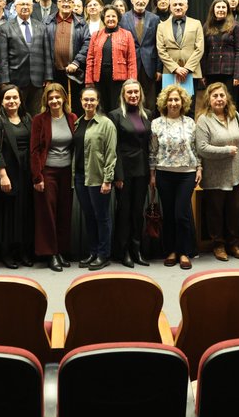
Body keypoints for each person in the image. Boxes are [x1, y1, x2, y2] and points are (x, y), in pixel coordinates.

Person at [150, 84, 201, 271]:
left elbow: (195, 148)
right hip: (164, 173)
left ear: (183, 102)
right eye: (170, 100)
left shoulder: (190, 122)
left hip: (186, 174)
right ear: (165, 102)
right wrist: (152, 174)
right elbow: (152, 151)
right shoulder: (156, 123)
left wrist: (199, 167)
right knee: (169, 214)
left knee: (182, 214)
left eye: (177, 100)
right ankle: (171, 251)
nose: (173, 103)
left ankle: (184, 252)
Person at [0, 84, 34, 269]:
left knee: (23, 213)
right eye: (7, 98)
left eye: (15, 97)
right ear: (2, 101)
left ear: (20, 100)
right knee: (7, 215)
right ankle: (6, 253)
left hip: (25, 172)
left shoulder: (27, 118)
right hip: (7, 172)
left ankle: (22, 251)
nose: (11, 101)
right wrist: (3, 175)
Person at [196, 81, 239, 261]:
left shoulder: (235, 116)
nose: (219, 99)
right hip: (214, 176)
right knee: (215, 213)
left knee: (235, 212)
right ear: (209, 99)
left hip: (235, 175)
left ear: (227, 98)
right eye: (215, 96)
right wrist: (226, 150)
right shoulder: (203, 120)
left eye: (222, 95)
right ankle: (218, 245)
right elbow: (201, 148)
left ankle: (233, 244)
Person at [31, 81, 77, 272]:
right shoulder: (39, 120)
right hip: (47, 171)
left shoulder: (72, 117)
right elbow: (34, 150)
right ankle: (51, 254)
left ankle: (61, 251)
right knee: (48, 213)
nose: (55, 100)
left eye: (58, 97)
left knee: (64, 212)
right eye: (51, 98)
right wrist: (37, 177)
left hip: (67, 172)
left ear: (64, 98)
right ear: (46, 101)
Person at [72, 86, 117, 271]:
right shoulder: (77, 123)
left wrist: (108, 179)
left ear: (98, 102)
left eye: (92, 100)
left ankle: (103, 254)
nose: (89, 103)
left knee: (102, 217)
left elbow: (111, 154)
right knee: (89, 216)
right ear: (81, 102)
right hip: (81, 177)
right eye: (85, 100)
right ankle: (92, 252)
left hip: (98, 178)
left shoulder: (106, 124)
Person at [109, 79, 151, 267]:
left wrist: (152, 172)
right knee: (124, 212)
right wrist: (117, 175)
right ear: (123, 95)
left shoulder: (148, 114)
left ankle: (137, 250)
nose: (133, 95)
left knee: (137, 212)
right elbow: (114, 147)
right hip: (124, 171)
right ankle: (123, 251)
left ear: (140, 94)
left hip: (142, 170)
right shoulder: (115, 116)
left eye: (136, 92)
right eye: (129, 92)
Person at [0, 0, 51, 115]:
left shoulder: (41, 27)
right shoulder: (5, 28)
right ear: (15, 7)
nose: (25, 7)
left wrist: (48, 77)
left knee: (36, 114)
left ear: (32, 7)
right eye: (22, 4)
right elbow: (3, 57)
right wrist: (4, 80)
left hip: (37, 80)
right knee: (16, 113)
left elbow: (47, 54)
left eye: (28, 4)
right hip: (15, 79)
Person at [85, 7, 137, 115]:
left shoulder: (127, 34)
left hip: (119, 81)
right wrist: (88, 80)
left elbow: (131, 60)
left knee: (117, 108)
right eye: (108, 16)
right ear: (104, 18)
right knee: (100, 108)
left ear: (118, 18)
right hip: (99, 79)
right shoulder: (96, 35)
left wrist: (132, 82)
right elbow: (90, 59)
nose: (111, 18)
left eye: (114, 16)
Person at [155, 0, 204, 108]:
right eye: (175, 5)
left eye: (181, 4)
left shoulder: (196, 24)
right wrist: (176, 68)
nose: (178, 7)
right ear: (170, 7)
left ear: (186, 7)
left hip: (191, 72)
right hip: (170, 72)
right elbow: (161, 50)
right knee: (169, 106)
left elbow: (199, 48)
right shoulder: (161, 27)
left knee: (189, 107)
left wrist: (186, 68)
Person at [46, 0, 90, 114]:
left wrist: (76, 62)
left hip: (74, 72)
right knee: (55, 105)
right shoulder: (47, 22)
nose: (66, 4)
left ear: (73, 4)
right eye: (62, 1)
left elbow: (87, 43)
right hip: (53, 72)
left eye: (69, 1)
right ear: (58, 4)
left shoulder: (81, 23)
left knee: (75, 105)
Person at [120, 0, 161, 111]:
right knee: (131, 96)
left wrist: (159, 69)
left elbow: (158, 44)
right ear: (132, 0)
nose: (141, 1)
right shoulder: (122, 18)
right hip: (129, 64)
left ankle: (149, 126)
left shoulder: (155, 19)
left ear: (148, 0)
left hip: (150, 65)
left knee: (150, 100)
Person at [203, 0, 239, 107]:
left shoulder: (235, 26)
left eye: (223, 7)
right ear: (213, 10)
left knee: (229, 103)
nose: (221, 9)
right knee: (212, 102)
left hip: (229, 73)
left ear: (227, 10)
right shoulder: (207, 26)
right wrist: (203, 74)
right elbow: (204, 51)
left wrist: (237, 75)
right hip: (211, 72)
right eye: (218, 7)